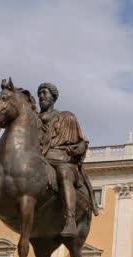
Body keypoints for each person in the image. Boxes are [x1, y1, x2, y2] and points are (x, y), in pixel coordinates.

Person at [37, 82, 97, 237]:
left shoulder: (67, 117)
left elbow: (82, 143)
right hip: (39, 159)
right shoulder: (33, 120)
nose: (42, 96)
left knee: (63, 173)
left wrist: (76, 149)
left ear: (53, 97)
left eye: (45, 93)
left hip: (63, 161)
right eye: (40, 94)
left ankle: (70, 220)